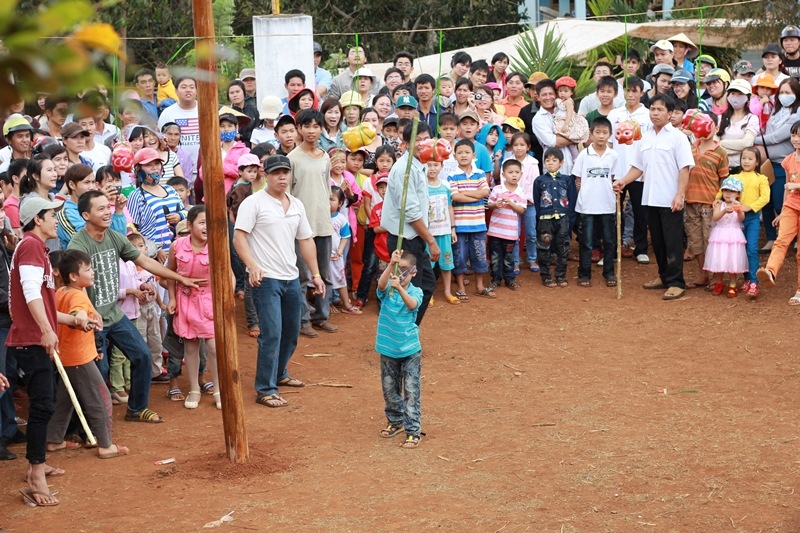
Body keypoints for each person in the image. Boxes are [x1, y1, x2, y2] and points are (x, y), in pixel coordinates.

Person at [67, 190, 203, 423]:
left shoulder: (114, 236)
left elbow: (145, 261)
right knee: (98, 372)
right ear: (85, 215)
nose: (107, 212)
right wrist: (84, 311)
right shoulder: (78, 244)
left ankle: (136, 408)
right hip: (91, 318)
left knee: (142, 355)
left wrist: (179, 278)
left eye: (107, 207)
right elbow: (71, 285)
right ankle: (88, 424)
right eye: (100, 209)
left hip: (114, 313)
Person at [233, 155, 324, 406]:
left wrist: (316, 275)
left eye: (286, 172)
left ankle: (280, 373)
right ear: (266, 175)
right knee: (271, 333)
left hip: (291, 277)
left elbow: (305, 240)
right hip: (266, 279)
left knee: (292, 331)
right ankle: (265, 388)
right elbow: (239, 238)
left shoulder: (296, 204)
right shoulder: (254, 203)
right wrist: (252, 266)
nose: (282, 177)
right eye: (276, 173)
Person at [8, 195, 77, 506]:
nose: (56, 220)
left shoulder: (36, 248)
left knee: (44, 403)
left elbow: (39, 301)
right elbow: (30, 292)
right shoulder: (32, 246)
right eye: (52, 215)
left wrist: (73, 320)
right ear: (38, 218)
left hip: (37, 335)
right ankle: (36, 473)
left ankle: (38, 464)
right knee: (42, 405)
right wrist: (47, 330)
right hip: (33, 338)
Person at [613, 94, 695, 301]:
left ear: (670, 113)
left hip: (670, 199)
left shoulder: (678, 138)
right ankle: (664, 276)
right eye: (652, 109)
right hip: (650, 198)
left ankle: (676, 282)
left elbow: (684, 168)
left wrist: (680, 195)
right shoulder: (644, 137)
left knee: (673, 240)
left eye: (660, 109)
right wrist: (623, 180)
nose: (655, 113)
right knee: (657, 241)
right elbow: (638, 167)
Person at [48, 249, 129, 459]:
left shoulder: (60, 292)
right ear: (74, 276)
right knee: (101, 400)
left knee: (65, 400)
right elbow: (78, 312)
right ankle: (105, 445)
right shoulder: (77, 295)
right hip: (79, 359)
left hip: (67, 356)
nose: (92, 272)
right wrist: (80, 317)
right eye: (88, 269)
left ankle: (55, 439)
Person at [380, 122, 438, 325]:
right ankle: (401, 335)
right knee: (405, 290)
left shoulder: (418, 164)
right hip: (404, 240)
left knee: (425, 285)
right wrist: (431, 241)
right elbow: (411, 213)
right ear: (405, 142)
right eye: (417, 139)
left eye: (425, 139)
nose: (422, 143)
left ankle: (409, 331)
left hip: (414, 237)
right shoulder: (404, 170)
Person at [166, 205, 221, 409]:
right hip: (186, 300)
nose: (207, 227)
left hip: (209, 300)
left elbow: (227, 275)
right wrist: (171, 298)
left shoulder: (217, 245)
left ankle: (217, 389)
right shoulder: (177, 246)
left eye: (209, 222)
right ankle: (194, 389)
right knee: (190, 346)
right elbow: (170, 273)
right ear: (189, 225)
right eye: (202, 222)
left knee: (214, 347)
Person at [288, 109, 336, 335]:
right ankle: (303, 320)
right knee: (303, 275)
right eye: (307, 126)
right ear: (299, 129)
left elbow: (327, 190)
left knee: (325, 273)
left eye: (316, 126)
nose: (312, 131)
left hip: (323, 223)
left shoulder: (325, 156)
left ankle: (322, 316)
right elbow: (286, 195)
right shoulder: (292, 159)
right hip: (301, 227)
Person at [375, 249, 424, 449]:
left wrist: (401, 288)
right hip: (387, 349)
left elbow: (412, 305)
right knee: (389, 389)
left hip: (410, 350)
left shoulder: (416, 292)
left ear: (414, 272)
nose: (401, 274)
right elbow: (381, 285)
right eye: (398, 269)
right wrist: (389, 264)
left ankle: (413, 431)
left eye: (405, 270)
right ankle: (395, 421)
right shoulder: (387, 290)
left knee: (411, 391)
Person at [608, 76, 652, 264]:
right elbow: (609, 143)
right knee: (613, 210)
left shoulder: (648, 115)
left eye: (635, 91)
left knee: (639, 211)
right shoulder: (614, 114)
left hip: (639, 172)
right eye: (628, 90)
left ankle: (640, 248)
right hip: (617, 170)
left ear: (642, 93)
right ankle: (613, 248)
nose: (631, 94)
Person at [757, 119, 800, 304]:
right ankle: (770, 271)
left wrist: (796, 185)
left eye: (799, 136)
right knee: (781, 241)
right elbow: (786, 189)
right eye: (793, 135)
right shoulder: (789, 160)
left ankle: (799, 290)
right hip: (791, 206)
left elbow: (790, 185)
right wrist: (782, 211)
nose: (796, 139)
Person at [684, 111, 729, 289]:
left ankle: (717, 277)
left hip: (711, 203)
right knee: (695, 240)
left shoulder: (721, 152)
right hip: (690, 202)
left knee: (711, 239)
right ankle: (703, 274)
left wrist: (722, 201)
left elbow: (724, 179)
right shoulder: (690, 148)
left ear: (716, 127)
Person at [754, 78, 800, 252]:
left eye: (788, 92)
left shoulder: (797, 113)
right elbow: (767, 131)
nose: (784, 96)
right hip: (768, 163)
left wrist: (751, 139)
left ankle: (794, 236)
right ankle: (772, 238)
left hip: (784, 164)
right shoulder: (775, 110)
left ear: (796, 94)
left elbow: (776, 137)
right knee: (766, 200)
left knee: (783, 201)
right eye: (782, 92)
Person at [573, 117, 618, 288]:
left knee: (609, 240)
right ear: (591, 134)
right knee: (586, 241)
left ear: (610, 135)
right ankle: (584, 274)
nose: (601, 136)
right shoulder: (584, 154)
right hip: (587, 205)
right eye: (597, 132)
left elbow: (614, 178)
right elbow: (578, 179)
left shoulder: (613, 155)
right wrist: (583, 196)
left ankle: (609, 272)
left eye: (604, 133)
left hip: (607, 204)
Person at [450, 139, 492, 299]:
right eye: (460, 153)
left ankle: (479, 286)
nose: (463, 155)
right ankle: (460, 287)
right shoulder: (452, 176)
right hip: (460, 225)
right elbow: (455, 197)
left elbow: (485, 192)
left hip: (478, 224)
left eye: (467, 152)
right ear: (454, 156)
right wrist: (475, 194)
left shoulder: (480, 173)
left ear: (473, 155)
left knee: (480, 255)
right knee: (459, 256)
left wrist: (463, 194)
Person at [127, 148, 186, 253]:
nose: (154, 168)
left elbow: (186, 213)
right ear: (138, 169)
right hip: (154, 255)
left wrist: (179, 216)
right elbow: (132, 229)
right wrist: (155, 249)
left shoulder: (170, 189)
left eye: (157, 163)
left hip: (180, 250)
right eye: (148, 165)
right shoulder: (136, 195)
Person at [734, 147, 771, 299]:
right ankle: (746, 279)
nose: (746, 161)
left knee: (752, 249)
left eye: (750, 159)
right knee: (740, 250)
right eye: (744, 158)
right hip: (736, 219)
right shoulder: (735, 177)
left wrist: (749, 207)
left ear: (757, 162)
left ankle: (754, 281)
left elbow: (765, 198)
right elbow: (724, 190)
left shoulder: (761, 179)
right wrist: (718, 199)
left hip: (753, 218)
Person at [533, 148, 572, 287]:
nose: (550, 163)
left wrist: (569, 216)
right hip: (545, 219)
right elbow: (537, 201)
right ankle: (546, 276)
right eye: (547, 160)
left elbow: (572, 198)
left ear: (561, 163)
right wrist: (540, 217)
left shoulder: (566, 179)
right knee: (544, 246)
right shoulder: (539, 180)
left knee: (563, 247)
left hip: (562, 218)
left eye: (554, 160)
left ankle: (561, 275)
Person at [704, 178, 748, 297]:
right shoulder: (719, 204)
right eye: (726, 190)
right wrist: (724, 211)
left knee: (732, 260)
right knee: (719, 260)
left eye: (732, 191)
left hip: (734, 235)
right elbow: (715, 217)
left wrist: (738, 210)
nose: (728, 193)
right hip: (720, 234)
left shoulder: (738, 204)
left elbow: (741, 219)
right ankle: (719, 283)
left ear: (738, 194)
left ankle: (732, 285)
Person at [487, 159, 526, 291]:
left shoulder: (521, 192)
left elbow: (522, 210)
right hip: (495, 232)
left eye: (516, 172)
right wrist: (495, 204)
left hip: (510, 233)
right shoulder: (497, 189)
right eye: (510, 172)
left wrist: (511, 203)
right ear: (503, 174)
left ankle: (510, 279)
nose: (514, 175)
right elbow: (489, 205)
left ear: (521, 174)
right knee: (495, 256)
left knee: (509, 257)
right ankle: (496, 279)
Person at [425, 159, 458, 304]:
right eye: (428, 165)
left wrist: (453, 229)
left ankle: (447, 292)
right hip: (428, 234)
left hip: (444, 232)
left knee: (446, 263)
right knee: (428, 266)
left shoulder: (445, 185)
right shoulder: (422, 186)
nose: (432, 168)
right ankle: (428, 294)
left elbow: (450, 207)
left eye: (435, 165)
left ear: (442, 166)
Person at [157, 77, 200, 181]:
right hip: (175, 171)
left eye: (192, 87)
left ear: (197, 90)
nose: (188, 90)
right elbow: (160, 140)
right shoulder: (167, 113)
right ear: (176, 91)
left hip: (202, 170)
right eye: (184, 87)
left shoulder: (205, 109)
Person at [328, 186, 360, 315]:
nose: (328, 202)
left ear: (340, 203)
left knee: (340, 280)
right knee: (323, 281)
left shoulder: (341, 219)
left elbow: (345, 237)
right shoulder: (317, 217)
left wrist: (340, 251)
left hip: (336, 256)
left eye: (331, 199)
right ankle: (327, 304)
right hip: (322, 256)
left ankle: (347, 304)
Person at [533, 79, 576, 174]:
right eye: (544, 95)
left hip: (572, 168)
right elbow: (554, 142)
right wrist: (577, 137)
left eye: (551, 94)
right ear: (538, 97)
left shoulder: (563, 110)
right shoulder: (538, 119)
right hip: (553, 171)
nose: (548, 97)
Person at [719, 79, 760, 175]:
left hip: (742, 170)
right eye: (733, 93)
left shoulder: (752, 119)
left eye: (740, 94)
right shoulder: (721, 118)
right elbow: (715, 145)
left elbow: (747, 143)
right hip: (723, 168)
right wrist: (737, 149)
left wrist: (723, 143)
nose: (735, 97)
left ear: (748, 97)